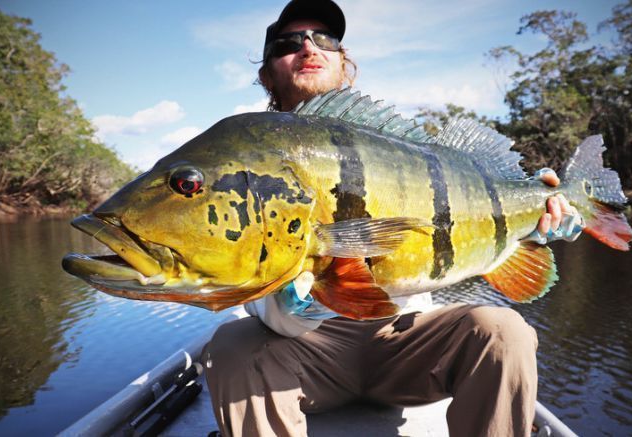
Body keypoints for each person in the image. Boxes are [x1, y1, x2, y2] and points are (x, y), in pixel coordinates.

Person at [202, 1, 582, 436]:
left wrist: (533, 216)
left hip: (403, 342)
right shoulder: (244, 155)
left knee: (503, 330)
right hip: (305, 356)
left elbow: (471, 209)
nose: (308, 47)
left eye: (325, 39)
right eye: (288, 43)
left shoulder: (398, 149)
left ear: (344, 65)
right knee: (232, 345)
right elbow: (250, 292)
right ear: (267, 74)